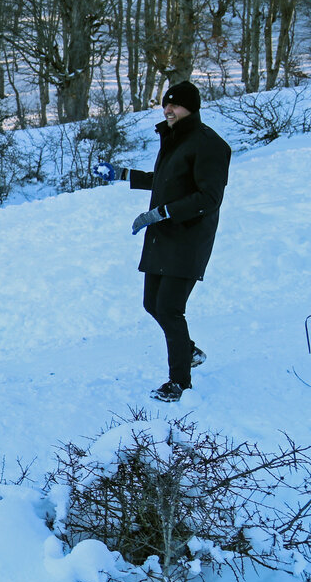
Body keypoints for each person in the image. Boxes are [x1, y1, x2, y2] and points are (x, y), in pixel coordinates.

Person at [93, 79, 231, 403]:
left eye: (175, 104)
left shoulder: (209, 144)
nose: (167, 109)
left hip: (188, 239)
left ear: (191, 108)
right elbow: (167, 180)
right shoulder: (175, 139)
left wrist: (162, 212)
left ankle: (179, 382)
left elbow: (209, 197)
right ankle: (188, 350)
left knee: (169, 308)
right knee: (152, 303)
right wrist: (124, 174)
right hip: (164, 234)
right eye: (166, 104)